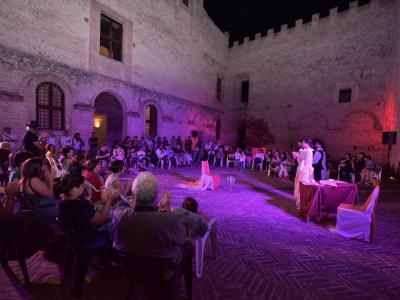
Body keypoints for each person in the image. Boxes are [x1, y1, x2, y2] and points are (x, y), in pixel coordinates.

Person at [111, 171, 188, 269]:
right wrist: (168, 212)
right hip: (160, 271)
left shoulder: (118, 215)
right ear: (155, 196)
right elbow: (181, 238)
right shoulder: (168, 219)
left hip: (129, 265)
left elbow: (112, 236)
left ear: (133, 195)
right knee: (189, 245)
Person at [293, 139, 314, 208]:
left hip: (305, 170)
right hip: (303, 169)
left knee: (303, 186)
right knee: (300, 185)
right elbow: (302, 160)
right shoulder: (305, 150)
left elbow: (307, 162)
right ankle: (300, 202)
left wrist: (297, 156)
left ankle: (302, 202)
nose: (302, 144)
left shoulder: (309, 151)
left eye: (302, 143)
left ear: (306, 143)